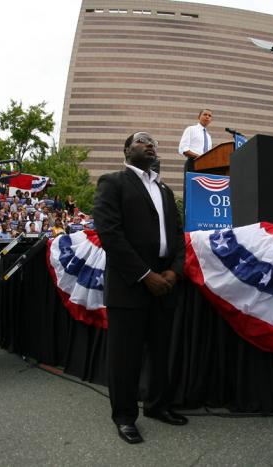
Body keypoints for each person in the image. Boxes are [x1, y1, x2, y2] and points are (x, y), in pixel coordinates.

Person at [93, 131, 186, 445]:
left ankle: (158, 406)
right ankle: (124, 417)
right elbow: (110, 235)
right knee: (126, 358)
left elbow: (177, 236)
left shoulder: (164, 190)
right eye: (143, 141)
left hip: (165, 284)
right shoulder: (113, 183)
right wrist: (146, 275)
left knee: (161, 353)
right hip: (130, 285)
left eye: (154, 143)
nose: (151, 145)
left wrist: (173, 272)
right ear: (126, 149)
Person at [178, 109, 214, 195]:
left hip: (205, 167)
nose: (207, 117)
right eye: (205, 114)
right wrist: (200, 157)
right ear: (199, 117)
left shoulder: (209, 137)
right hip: (192, 164)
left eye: (209, 116)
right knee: (190, 192)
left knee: (201, 193)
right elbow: (183, 149)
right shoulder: (191, 129)